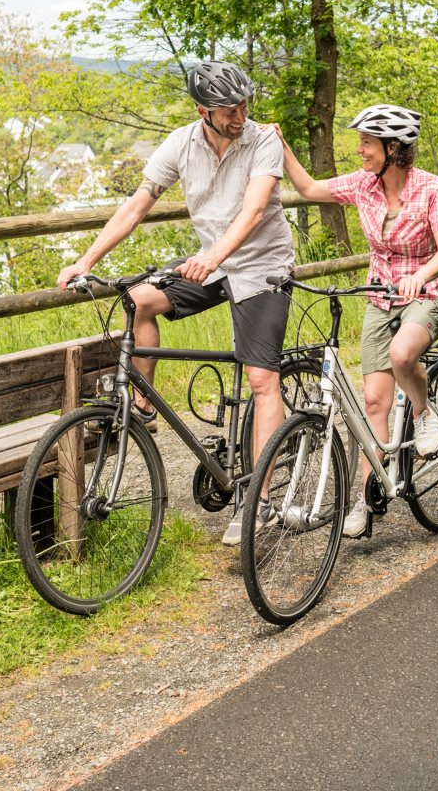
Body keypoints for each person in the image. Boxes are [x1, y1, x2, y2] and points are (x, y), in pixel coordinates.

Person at [57, 60, 295, 545]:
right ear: (202, 111)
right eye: (229, 107)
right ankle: (142, 403)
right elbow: (137, 205)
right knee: (139, 300)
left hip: (261, 266)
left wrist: (215, 258)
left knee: (261, 378)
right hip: (211, 261)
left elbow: (253, 211)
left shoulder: (263, 140)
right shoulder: (180, 143)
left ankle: (261, 502)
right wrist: (86, 259)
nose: (240, 113)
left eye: (244, 103)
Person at [266, 104, 438, 539]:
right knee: (374, 401)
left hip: (427, 295)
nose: (360, 151)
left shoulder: (432, 188)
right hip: (379, 296)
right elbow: (311, 188)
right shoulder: (363, 186)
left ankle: (425, 416)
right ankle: (371, 491)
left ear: (394, 148)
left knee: (402, 352)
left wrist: (419, 275)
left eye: (367, 144)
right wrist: (282, 148)